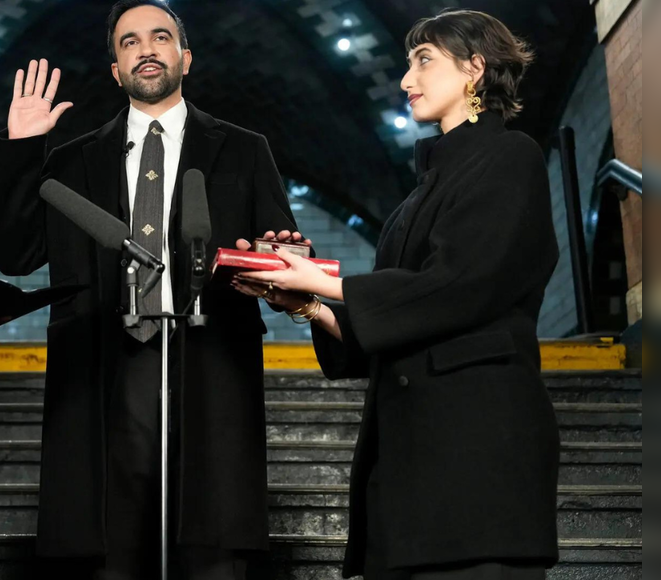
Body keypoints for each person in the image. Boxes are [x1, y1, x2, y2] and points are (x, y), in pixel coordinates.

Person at [235, 9, 560, 580]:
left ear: (475, 69)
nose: (406, 80)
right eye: (408, 64)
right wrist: (306, 301)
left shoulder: (512, 158)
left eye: (424, 61)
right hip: (405, 474)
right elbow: (388, 328)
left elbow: (461, 285)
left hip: (479, 463)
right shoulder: (412, 202)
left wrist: (326, 282)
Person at [0, 1, 306, 578]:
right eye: (130, 42)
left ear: (185, 56)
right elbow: (14, 254)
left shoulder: (243, 148)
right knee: (111, 551)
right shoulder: (68, 162)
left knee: (212, 554)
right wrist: (19, 148)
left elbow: (280, 251)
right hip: (104, 370)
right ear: (116, 68)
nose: (146, 49)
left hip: (211, 366)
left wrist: (285, 257)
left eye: (160, 37)